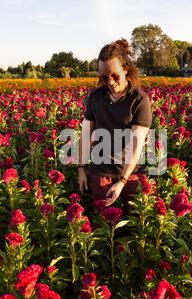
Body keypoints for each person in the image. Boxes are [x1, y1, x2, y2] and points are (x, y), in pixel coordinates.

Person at [78, 38, 152, 208]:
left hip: (129, 174)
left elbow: (136, 144)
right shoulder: (95, 97)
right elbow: (85, 134)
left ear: (126, 69)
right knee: (102, 228)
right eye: (104, 78)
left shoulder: (139, 100)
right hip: (100, 174)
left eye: (115, 75)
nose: (110, 82)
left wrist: (122, 181)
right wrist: (81, 168)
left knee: (131, 228)